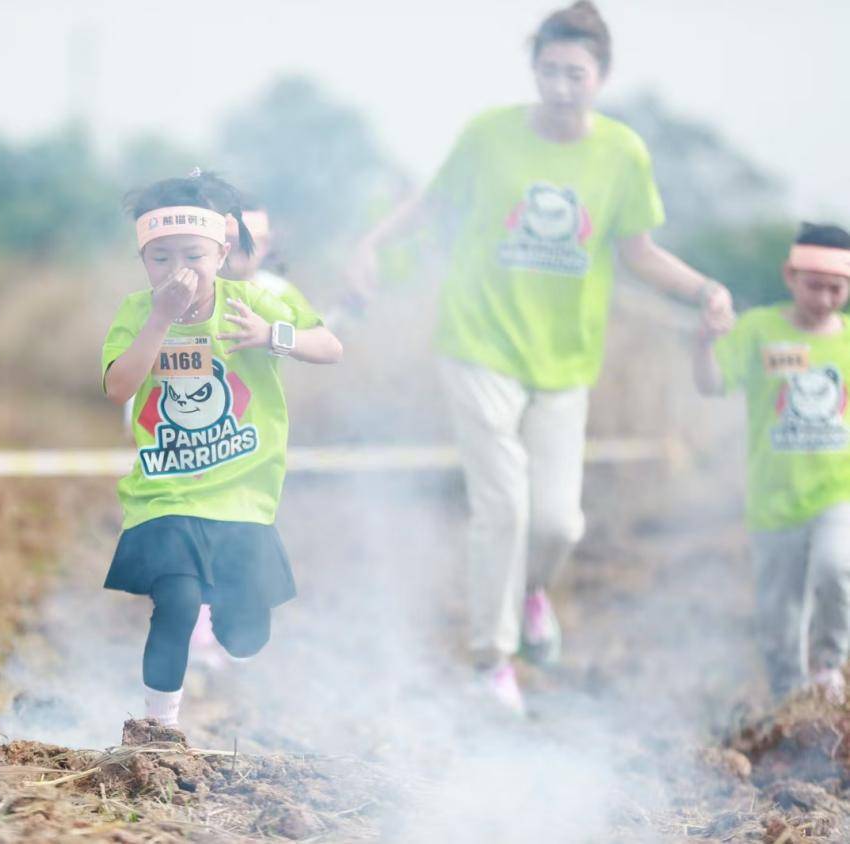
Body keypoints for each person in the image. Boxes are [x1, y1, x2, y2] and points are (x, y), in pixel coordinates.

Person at [349, 0, 734, 713]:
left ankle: (530, 591)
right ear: (534, 69)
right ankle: (492, 663)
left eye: (577, 73)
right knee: (502, 505)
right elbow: (429, 207)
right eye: (550, 70)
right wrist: (372, 244)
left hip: (565, 361)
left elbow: (639, 252)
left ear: (602, 76)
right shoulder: (488, 136)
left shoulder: (621, 154)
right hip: (478, 342)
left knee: (557, 521)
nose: (562, 84)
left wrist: (706, 289)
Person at [102, 171, 343, 727]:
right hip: (165, 494)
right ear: (144, 260)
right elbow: (118, 386)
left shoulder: (250, 302)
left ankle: (238, 614)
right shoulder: (138, 312)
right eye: (161, 258)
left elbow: (329, 347)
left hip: (242, 496)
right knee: (178, 604)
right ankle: (156, 731)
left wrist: (271, 336)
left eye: (192, 254)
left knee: (245, 635)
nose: (178, 269)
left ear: (223, 250)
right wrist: (161, 319)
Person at [695, 222, 850, 704]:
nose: (824, 298)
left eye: (836, 288)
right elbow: (711, 383)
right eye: (814, 285)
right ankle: (789, 700)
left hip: (836, 491)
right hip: (774, 498)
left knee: (835, 568)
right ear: (790, 276)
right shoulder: (760, 329)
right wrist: (702, 343)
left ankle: (828, 667)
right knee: (779, 611)